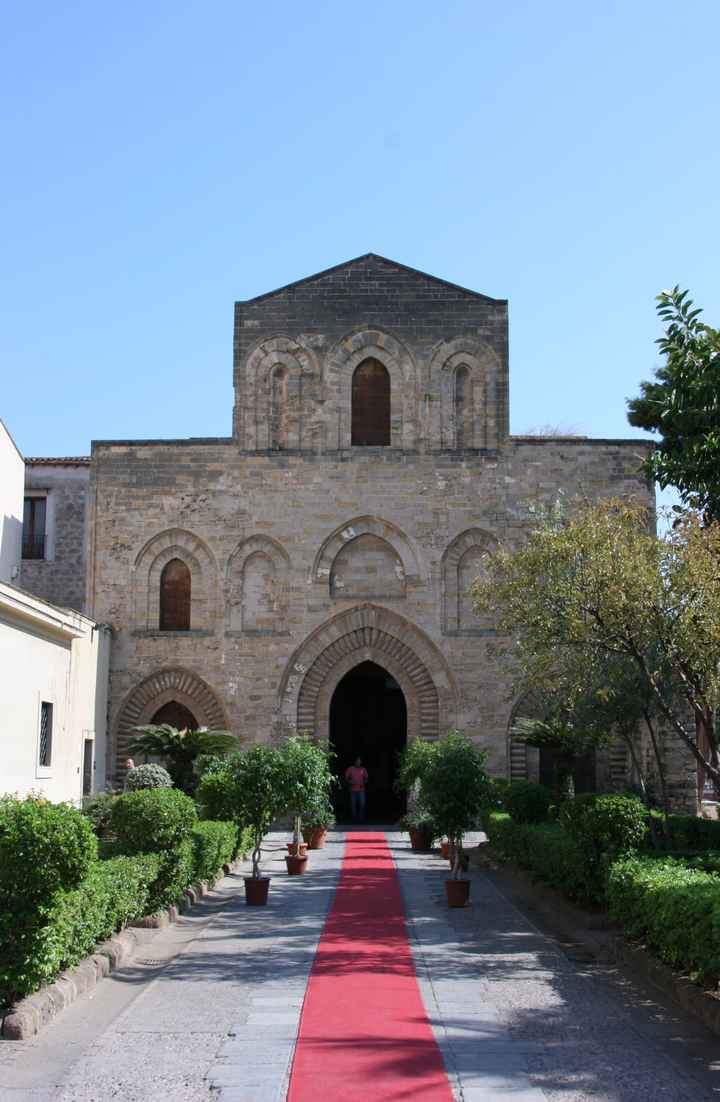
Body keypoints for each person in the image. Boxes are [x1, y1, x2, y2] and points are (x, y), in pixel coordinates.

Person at [345, 757, 368, 823]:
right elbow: (346, 778)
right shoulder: (350, 768)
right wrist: (350, 782)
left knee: (362, 804)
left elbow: (366, 778)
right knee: (353, 805)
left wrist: (364, 782)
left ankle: (361, 819)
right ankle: (354, 819)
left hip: (361, 789)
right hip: (353, 789)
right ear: (355, 762)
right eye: (357, 761)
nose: (358, 763)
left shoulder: (363, 769)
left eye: (359, 761)